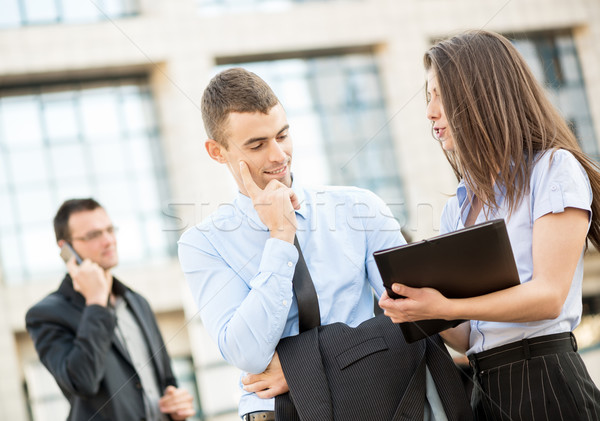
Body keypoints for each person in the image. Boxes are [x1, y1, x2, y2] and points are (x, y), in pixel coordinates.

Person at [178, 68, 474, 420]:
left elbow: (416, 316)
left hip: (376, 400)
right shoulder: (203, 244)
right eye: (257, 145)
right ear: (217, 152)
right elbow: (249, 354)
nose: (278, 156)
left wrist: (305, 369)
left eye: (283, 135)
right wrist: (280, 239)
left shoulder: (359, 208)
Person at [379, 30, 600, 421]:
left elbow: (548, 296)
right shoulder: (458, 208)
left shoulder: (553, 169)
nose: (429, 112)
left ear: (477, 95)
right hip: (485, 391)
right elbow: (466, 338)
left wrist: (446, 304)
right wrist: (421, 310)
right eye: (427, 97)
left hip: (547, 383)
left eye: (437, 95)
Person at [26, 199, 196, 421]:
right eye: (93, 235)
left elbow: (166, 380)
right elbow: (81, 381)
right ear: (65, 248)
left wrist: (177, 402)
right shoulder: (46, 315)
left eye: (109, 230)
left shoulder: (137, 302)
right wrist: (96, 302)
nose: (108, 240)